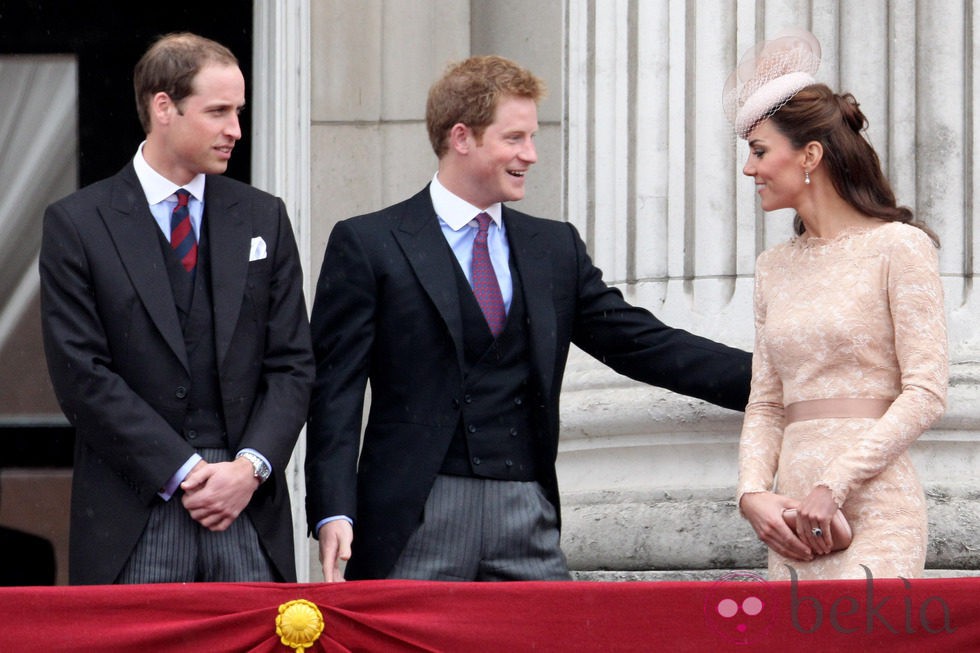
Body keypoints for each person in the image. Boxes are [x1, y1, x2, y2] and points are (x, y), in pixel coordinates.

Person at [306, 55, 752, 582]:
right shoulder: (369, 242)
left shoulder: (553, 248)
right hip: (414, 512)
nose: (531, 155)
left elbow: (641, 343)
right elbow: (334, 389)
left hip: (528, 509)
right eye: (515, 138)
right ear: (462, 137)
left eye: (532, 137)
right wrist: (333, 509)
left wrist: (775, 381)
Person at [39, 32, 314, 585]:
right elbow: (82, 374)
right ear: (164, 107)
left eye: (238, 111)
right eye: (218, 111)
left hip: (246, 503)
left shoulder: (264, 217)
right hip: (133, 503)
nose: (235, 129)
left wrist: (250, 468)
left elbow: (293, 364)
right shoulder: (78, 223)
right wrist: (185, 471)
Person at [725, 29, 948, 580]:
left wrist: (835, 483)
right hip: (794, 521)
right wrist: (752, 493)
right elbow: (766, 404)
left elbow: (927, 391)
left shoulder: (899, 246)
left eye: (759, 152)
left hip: (875, 507)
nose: (749, 170)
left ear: (811, 154)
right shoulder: (772, 266)